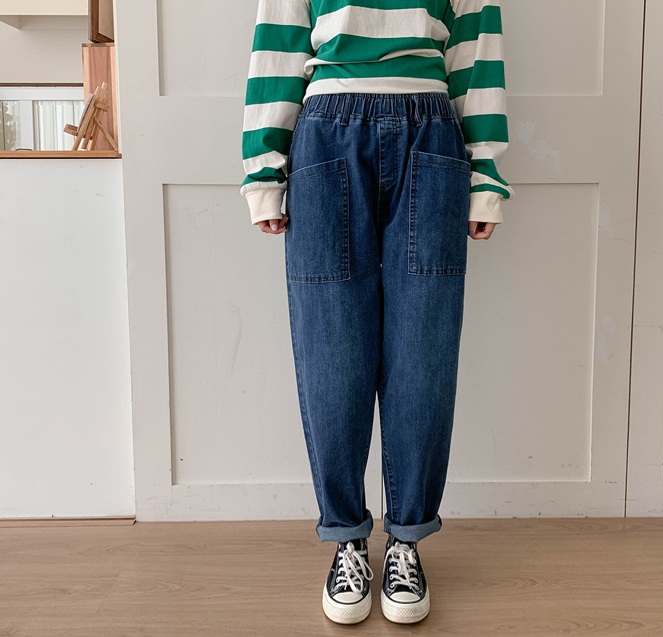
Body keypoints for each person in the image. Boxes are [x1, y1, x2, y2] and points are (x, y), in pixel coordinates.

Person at [241, 0, 514, 625]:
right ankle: (345, 539)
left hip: (431, 131)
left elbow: (476, 49)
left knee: (424, 352)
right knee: (332, 354)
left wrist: (485, 177)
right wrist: (264, 171)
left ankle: (407, 542)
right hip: (326, 132)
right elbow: (278, 43)